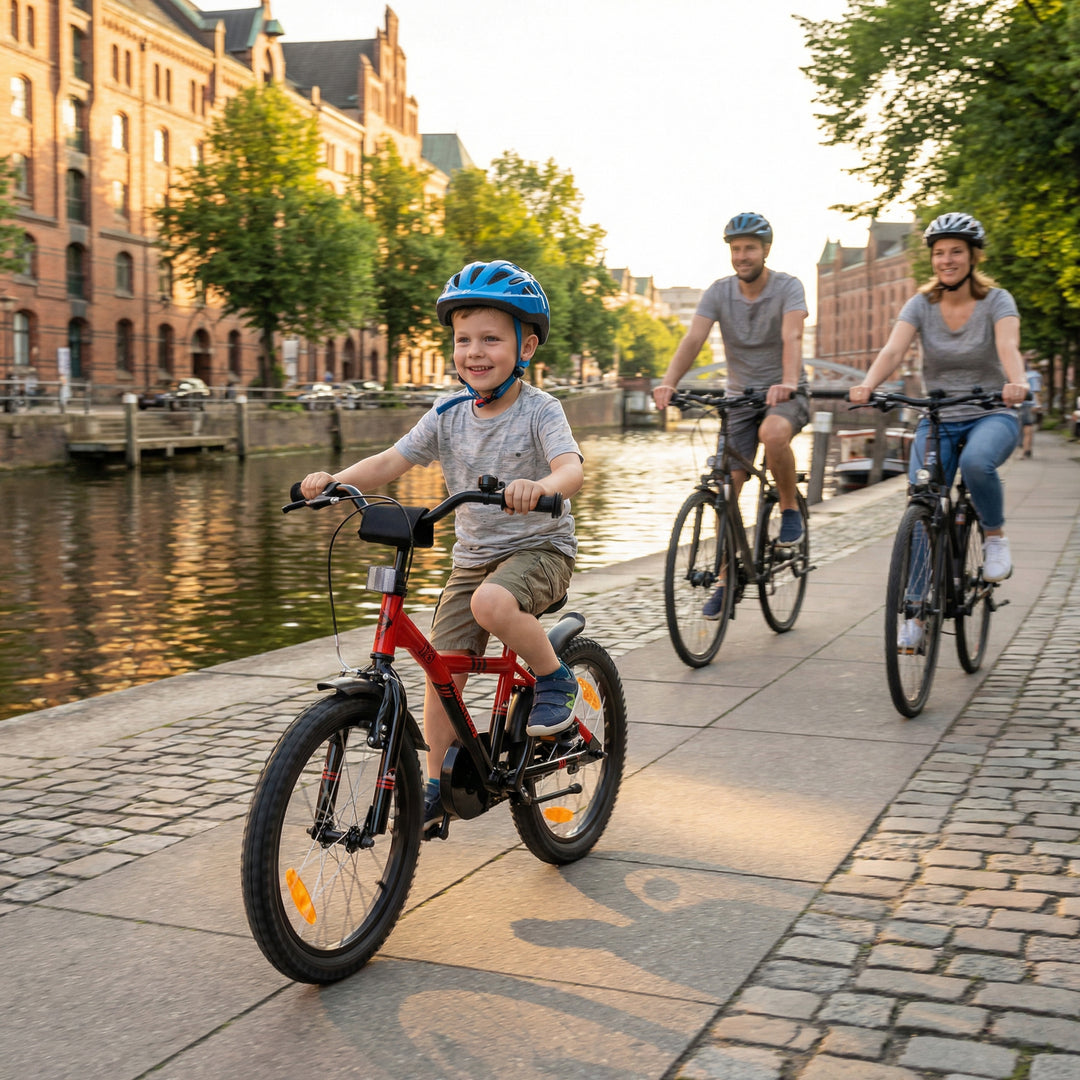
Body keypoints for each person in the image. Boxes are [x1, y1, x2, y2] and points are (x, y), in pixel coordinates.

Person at [300, 260, 585, 827]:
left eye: (491, 339)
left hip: (541, 550)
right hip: (473, 558)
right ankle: (435, 787)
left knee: (492, 604)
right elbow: (391, 460)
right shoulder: (447, 411)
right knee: (439, 667)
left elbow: (571, 468)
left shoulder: (540, 410)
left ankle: (556, 676)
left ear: (525, 347)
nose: (474, 352)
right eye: (463, 340)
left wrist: (540, 487)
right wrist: (338, 481)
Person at [849, 212, 1027, 651]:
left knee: (976, 462)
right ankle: (914, 612)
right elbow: (894, 349)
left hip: (992, 411)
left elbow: (1008, 346)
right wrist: (869, 384)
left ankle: (996, 537)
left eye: (956, 252)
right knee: (922, 505)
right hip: (939, 415)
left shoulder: (997, 301)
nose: (946, 260)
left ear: (972, 257)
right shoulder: (920, 304)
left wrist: (1016, 382)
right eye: (939, 253)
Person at [653, 212, 809, 619]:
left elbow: (793, 335)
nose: (742, 256)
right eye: (736, 249)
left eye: (749, 249)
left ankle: (789, 508)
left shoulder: (788, 287)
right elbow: (694, 337)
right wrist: (669, 382)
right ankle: (727, 579)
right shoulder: (719, 292)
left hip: (784, 393)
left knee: (775, 435)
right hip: (739, 399)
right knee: (727, 489)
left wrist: (788, 381)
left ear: (765, 251)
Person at [1020, 359, 1043, 458]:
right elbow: (1035, 391)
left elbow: (1034, 391)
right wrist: (1037, 405)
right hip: (1029, 404)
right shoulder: (1033, 376)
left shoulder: (1018, 375)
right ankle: (1027, 450)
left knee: (1024, 428)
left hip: (1020, 404)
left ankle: (1025, 450)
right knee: (1028, 426)